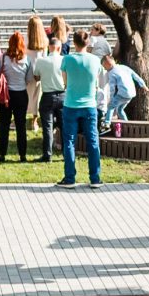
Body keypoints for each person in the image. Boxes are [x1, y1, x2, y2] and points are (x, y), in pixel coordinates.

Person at [57, 29, 105, 186]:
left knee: (69, 141)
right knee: (92, 141)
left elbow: (65, 81)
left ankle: (70, 178)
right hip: (90, 105)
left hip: (71, 104)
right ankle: (95, 177)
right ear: (88, 42)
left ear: (74, 42)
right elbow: (97, 80)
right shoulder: (95, 60)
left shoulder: (67, 59)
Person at [0, 30, 32, 161]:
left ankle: (2, 154)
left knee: (4, 125)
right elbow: (29, 78)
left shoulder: (3, 57)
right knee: (21, 126)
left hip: (6, 95)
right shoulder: (27, 59)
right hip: (21, 94)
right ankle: (23, 155)